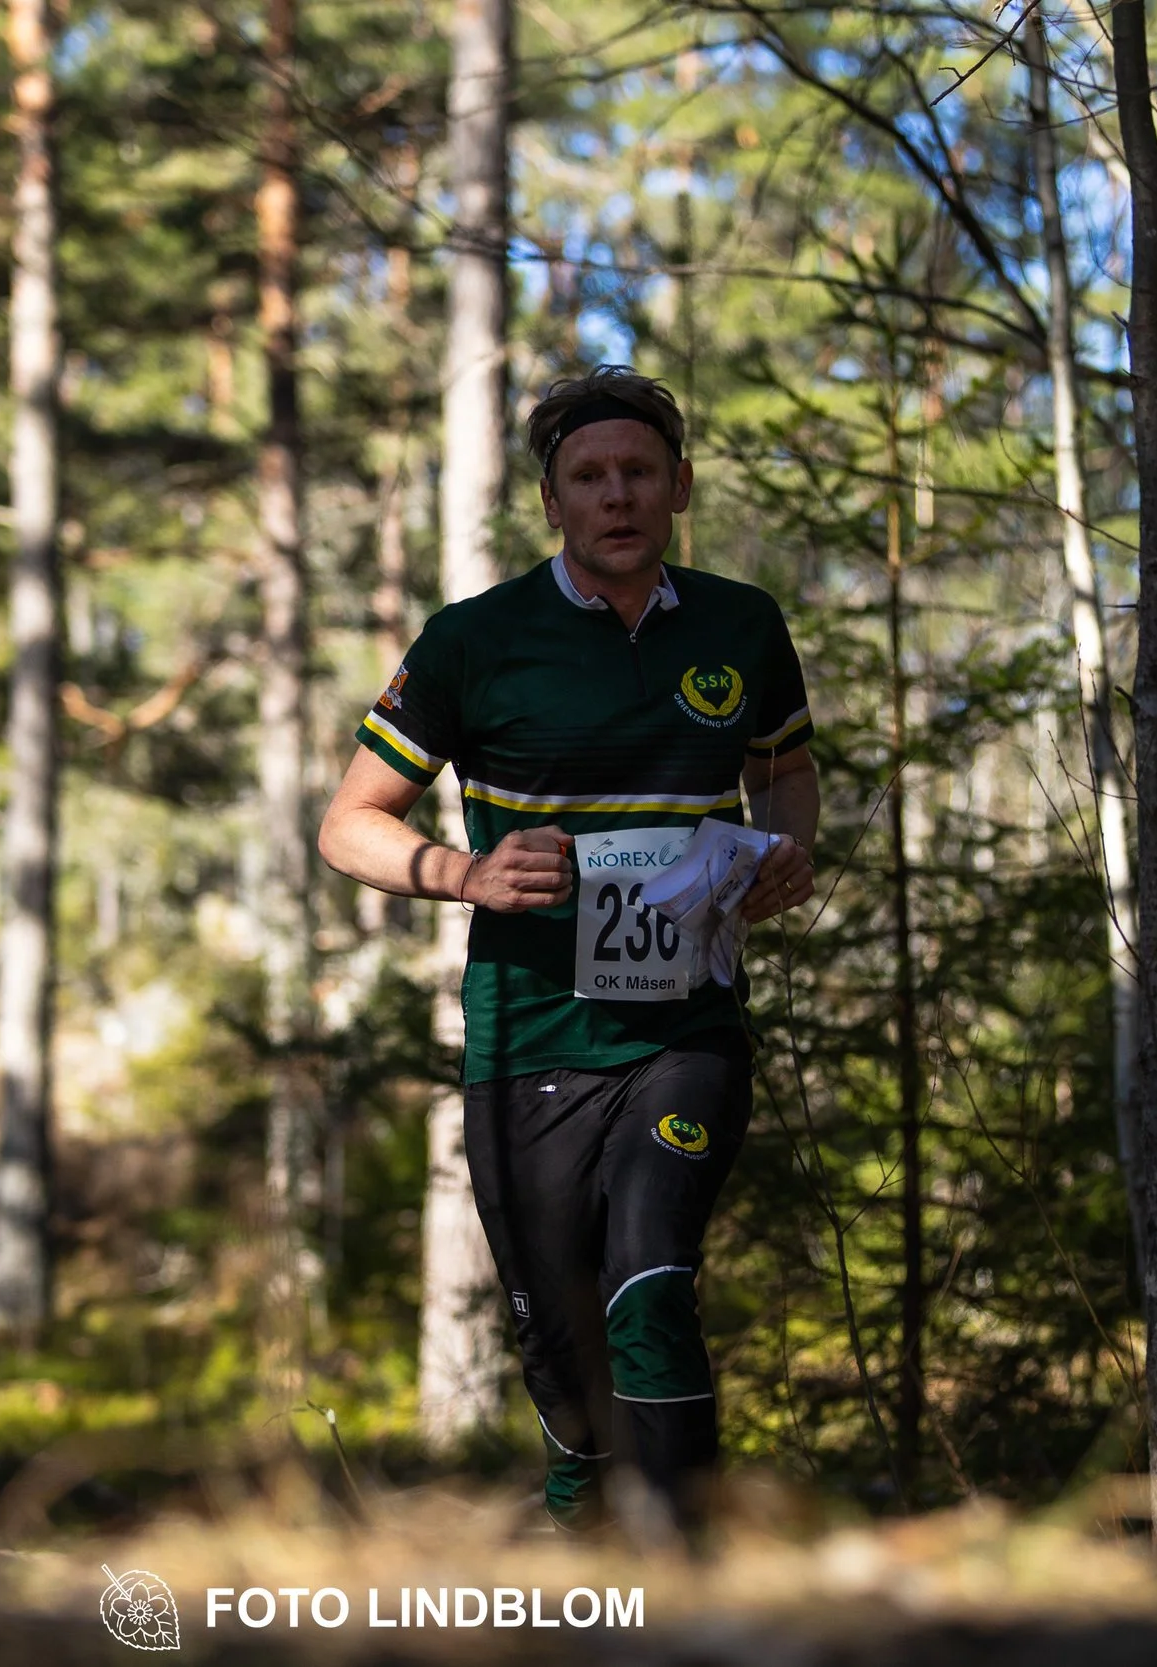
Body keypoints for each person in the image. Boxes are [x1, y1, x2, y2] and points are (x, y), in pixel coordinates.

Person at [317, 366, 820, 1536]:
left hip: (685, 1029)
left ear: (679, 484)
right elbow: (347, 824)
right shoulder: (472, 641)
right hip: (528, 1032)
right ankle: (580, 1522)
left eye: (639, 471)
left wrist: (783, 852)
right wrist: (465, 872)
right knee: (558, 1337)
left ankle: (686, 1559)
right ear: (552, 500)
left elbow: (783, 770)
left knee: (648, 1270)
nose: (617, 496)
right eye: (588, 476)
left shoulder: (741, 624)